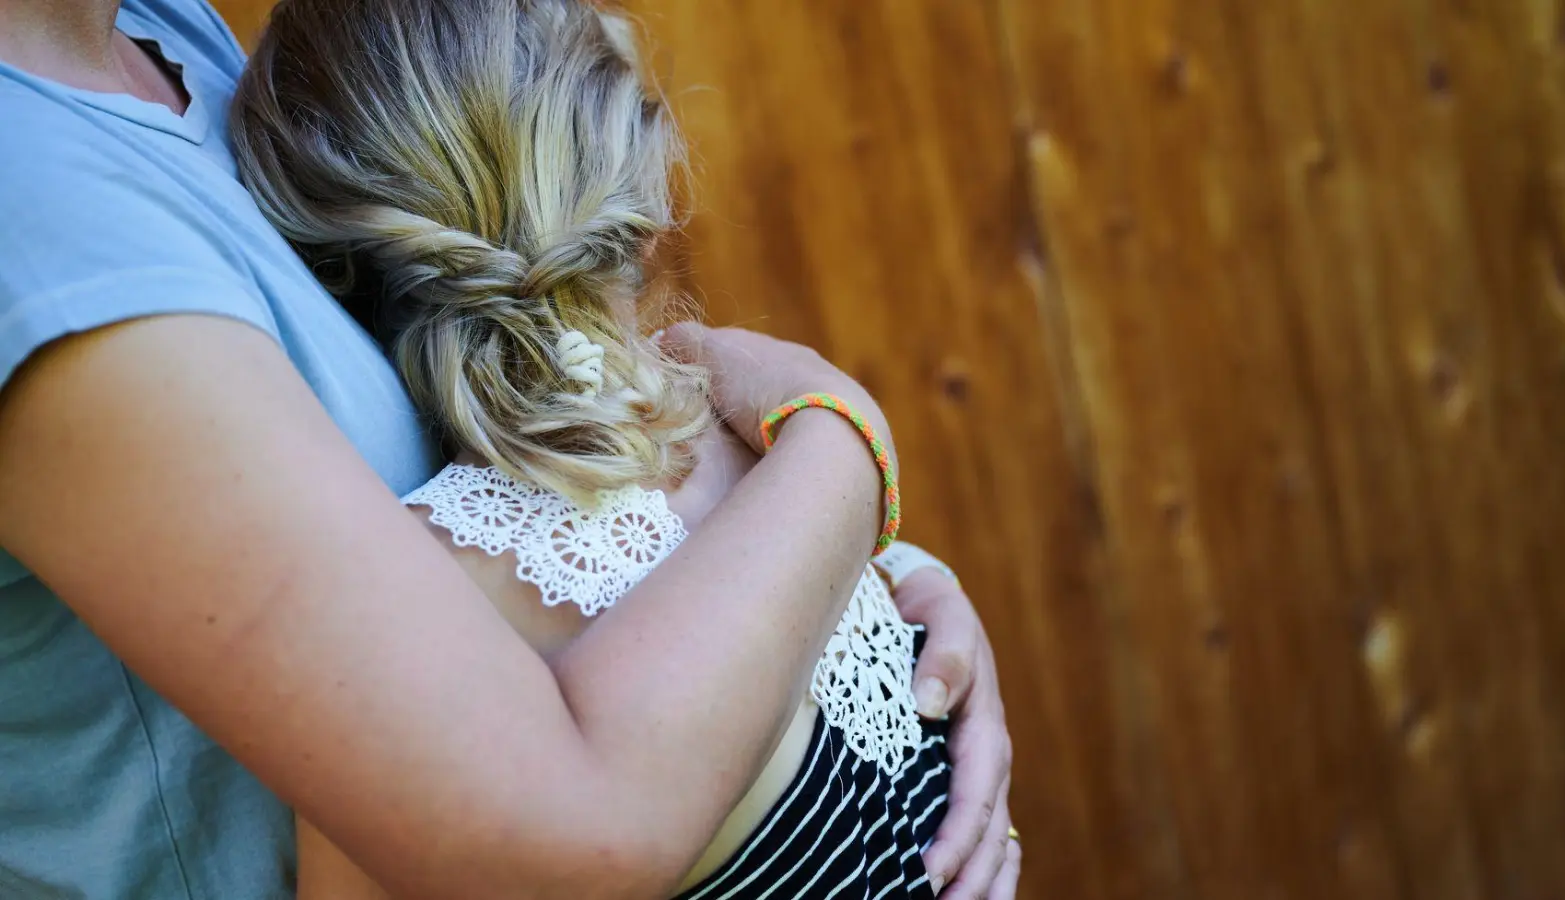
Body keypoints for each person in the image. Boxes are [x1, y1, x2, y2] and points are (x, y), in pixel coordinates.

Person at [0, 0, 1020, 898]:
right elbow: (572, 835)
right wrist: (836, 453)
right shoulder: (34, 203)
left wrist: (867, 581)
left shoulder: (159, 31)